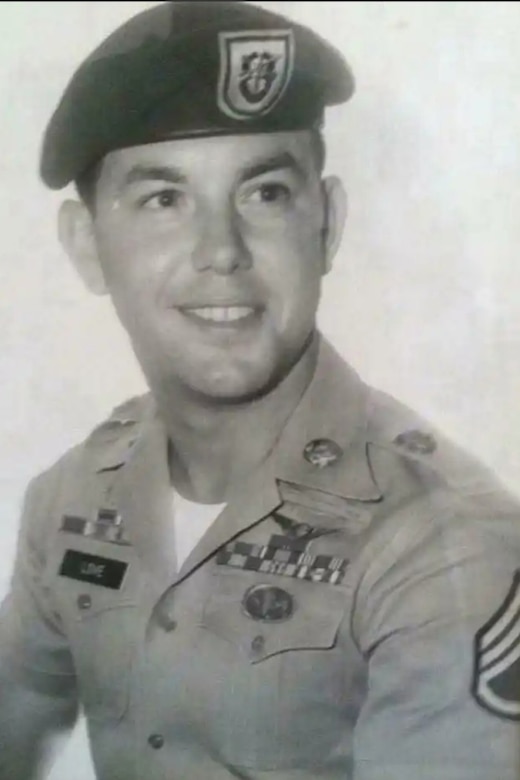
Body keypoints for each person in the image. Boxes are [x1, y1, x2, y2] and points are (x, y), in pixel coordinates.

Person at [1, 2, 519, 778]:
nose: (222, 252)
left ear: (328, 226)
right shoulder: (73, 499)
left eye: (264, 193)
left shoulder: (442, 543)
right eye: (164, 199)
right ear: (88, 247)